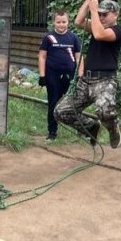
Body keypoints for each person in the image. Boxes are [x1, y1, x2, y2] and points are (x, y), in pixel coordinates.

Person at [54, 0, 121, 148]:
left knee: (104, 112)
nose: (101, 17)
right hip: (86, 80)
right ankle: (91, 126)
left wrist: (93, 10)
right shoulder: (96, 26)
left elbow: (100, 34)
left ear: (115, 14)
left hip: (105, 80)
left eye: (105, 14)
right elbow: (78, 21)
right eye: (99, 14)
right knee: (61, 112)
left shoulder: (118, 30)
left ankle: (113, 128)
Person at [38, 10, 82, 142]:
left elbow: (79, 57)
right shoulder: (48, 37)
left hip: (70, 74)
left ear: (68, 22)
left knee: (74, 103)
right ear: (54, 22)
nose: (61, 25)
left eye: (64, 22)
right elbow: (42, 57)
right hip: (52, 75)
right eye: (58, 22)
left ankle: (80, 129)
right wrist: (42, 75)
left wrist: (80, 74)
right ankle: (52, 133)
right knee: (53, 102)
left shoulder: (74, 37)